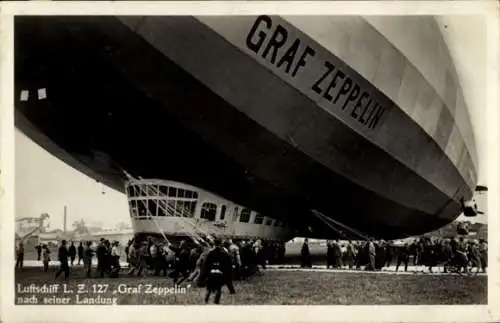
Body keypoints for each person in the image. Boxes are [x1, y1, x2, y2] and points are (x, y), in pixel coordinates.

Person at [201, 239, 232, 304]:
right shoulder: (223, 253)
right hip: (219, 273)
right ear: (221, 244)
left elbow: (206, 265)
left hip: (211, 273)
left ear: (214, 244)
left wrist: (204, 275)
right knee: (218, 289)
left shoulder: (210, 253)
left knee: (209, 289)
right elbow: (227, 264)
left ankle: (206, 300)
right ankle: (216, 302)